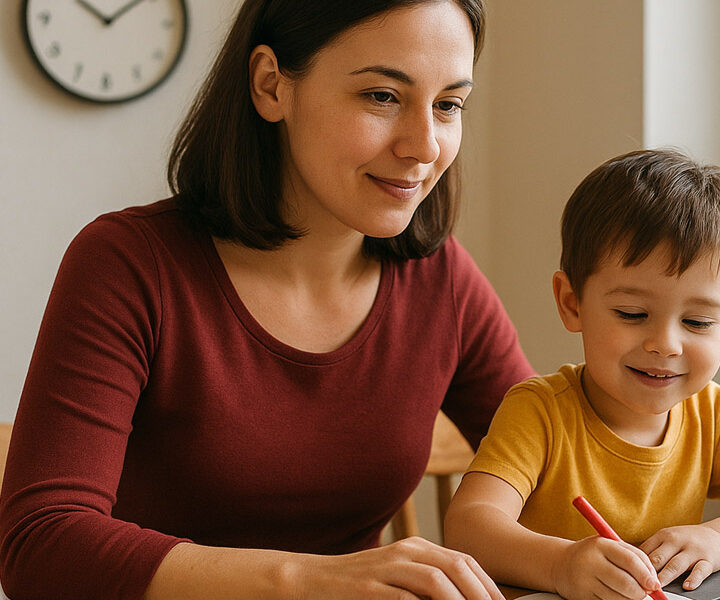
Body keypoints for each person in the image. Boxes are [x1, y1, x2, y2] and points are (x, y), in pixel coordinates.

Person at [0, 1, 534, 599]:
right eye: (383, 96)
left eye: (448, 105)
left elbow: (555, 467)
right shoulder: (129, 263)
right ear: (270, 86)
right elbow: (40, 545)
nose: (424, 145)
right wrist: (306, 580)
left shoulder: (442, 279)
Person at [443, 149, 720, 600]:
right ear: (572, 303)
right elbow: (468, 526)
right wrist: (560, 566)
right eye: (632, 313)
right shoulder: (539, 412)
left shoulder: (712, 411)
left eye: (697, 323)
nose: (666, 344)